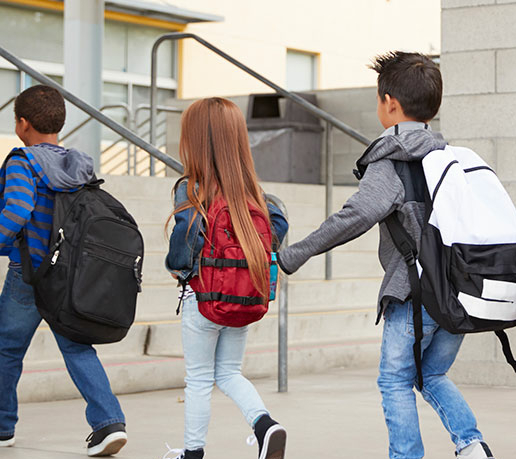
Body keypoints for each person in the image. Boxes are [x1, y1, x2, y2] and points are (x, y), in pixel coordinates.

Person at [277, 52, 495, 459]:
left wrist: (295, 254)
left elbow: (356, 215)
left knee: (395, 380)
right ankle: (471, 444)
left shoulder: (392, 160)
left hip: (414, 296)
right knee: (431, 374)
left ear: (390, 103)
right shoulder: (448, 157)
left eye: (379, 99)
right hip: (460, 293)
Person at [0, 85, 127, 457]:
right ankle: (109, 423)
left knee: (6, 349)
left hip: (29, 274)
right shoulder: (78, 163)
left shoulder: (24, 162)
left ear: (23, 124)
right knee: (76, 346)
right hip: (69, 274)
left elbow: (18, 208)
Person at [164, 97, 288, 459]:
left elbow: (184, 240)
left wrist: (178, 266)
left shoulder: (191, 186)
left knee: (200, 379)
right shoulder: (254, 193)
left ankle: (193, 454)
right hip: (243, 296)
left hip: (202, 300)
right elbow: (278, 225)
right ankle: (266, 426)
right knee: (230, 372)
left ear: (196, 140)